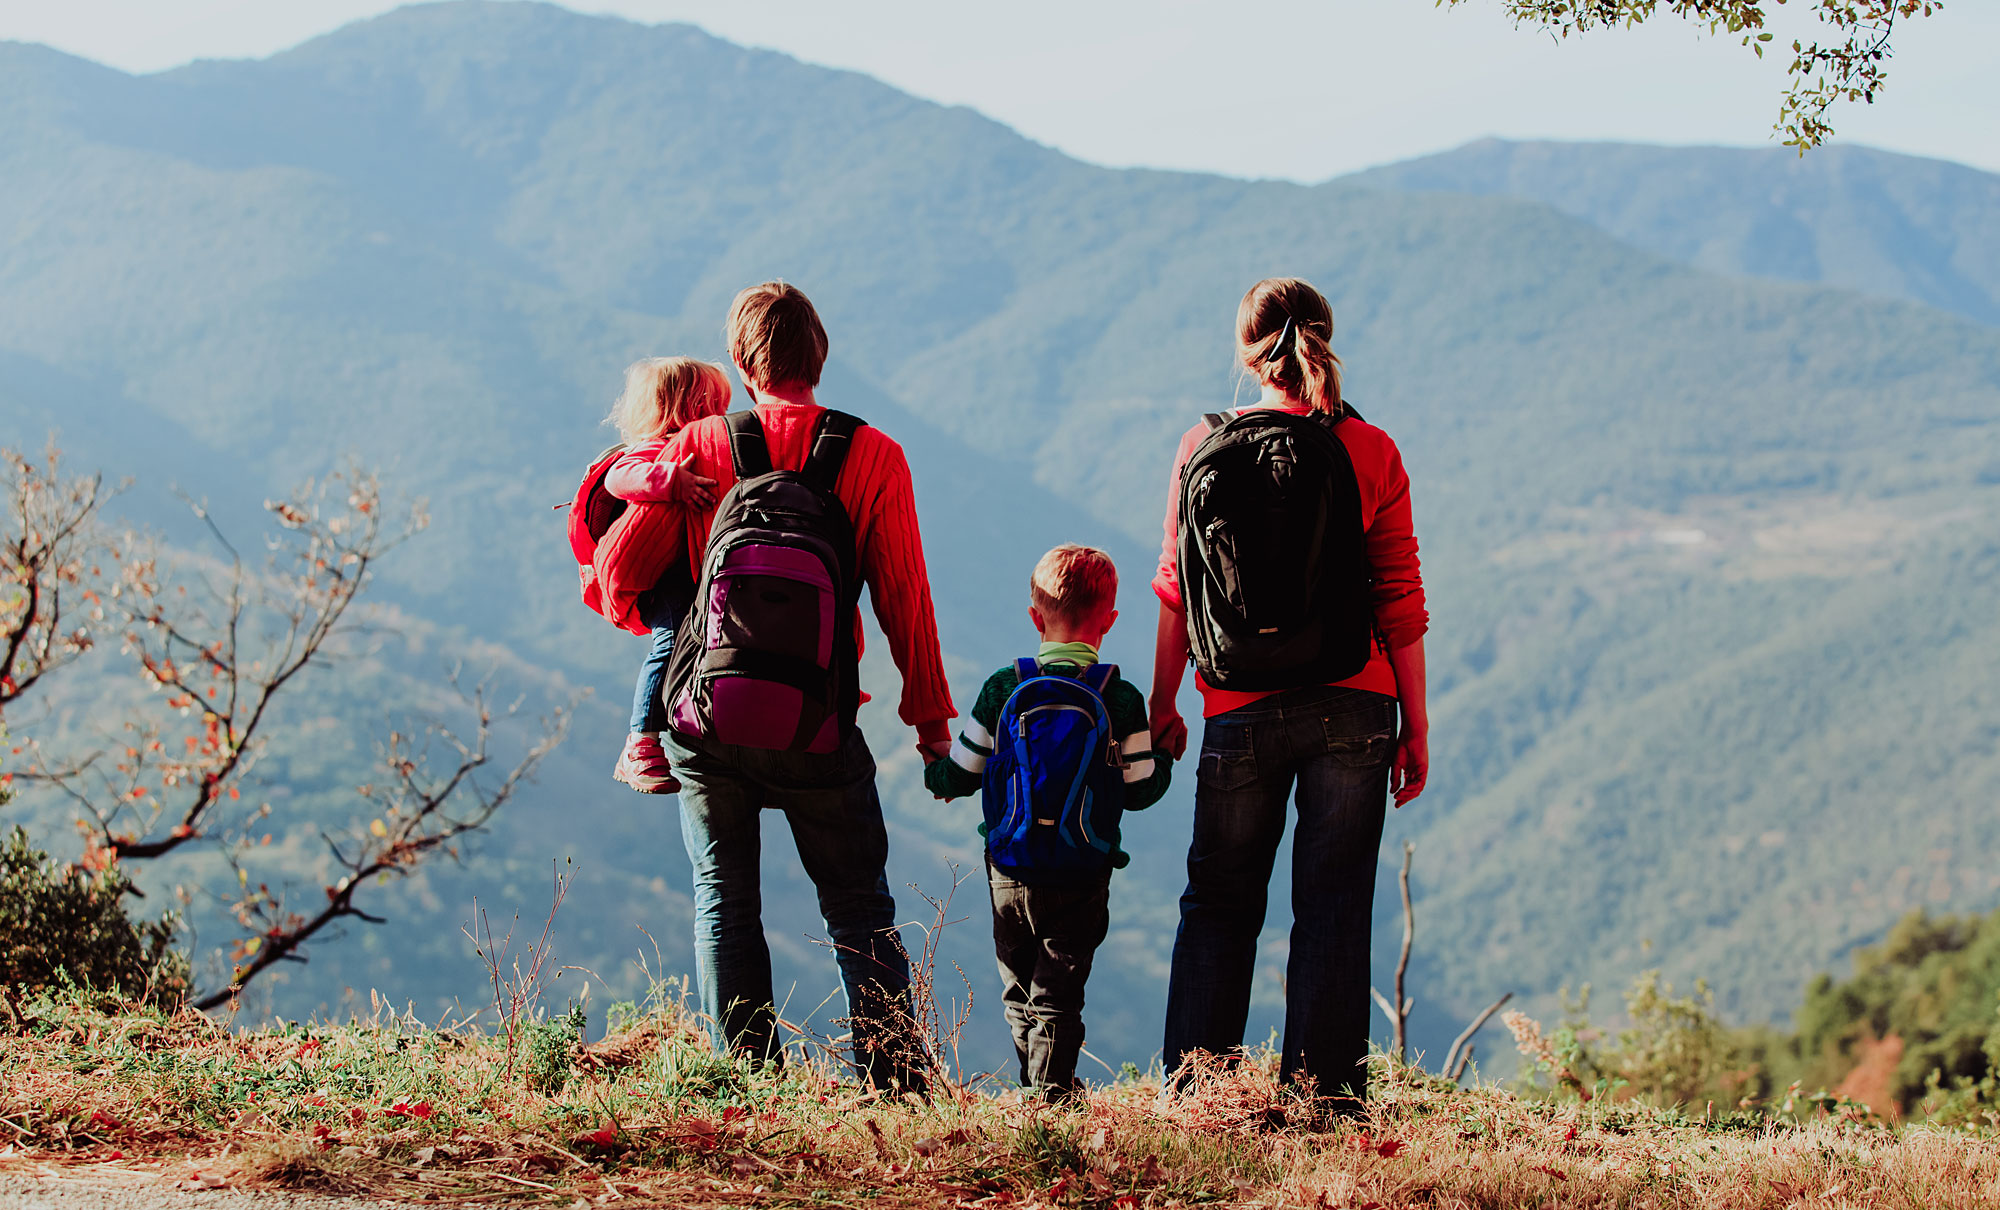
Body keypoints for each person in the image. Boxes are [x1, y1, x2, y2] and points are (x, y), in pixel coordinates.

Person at [592, 282, 955, 1091]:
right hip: (820, 724)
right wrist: (929, 720)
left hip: (707, 724)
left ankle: (752, 1089)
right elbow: (905, 597)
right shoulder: (874, 456)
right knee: (860, 907)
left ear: (742, 362)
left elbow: (619, 568)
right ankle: (896, 1087)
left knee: (725, 899)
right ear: (818, 354)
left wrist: (647, 608)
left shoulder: (703, 446)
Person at [1149, 277, 1429, 1114]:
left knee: (1219, 903)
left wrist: (1166, 701)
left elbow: (1175, 588)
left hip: (1236, 706)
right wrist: (1415, 722)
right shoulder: (1370, 447)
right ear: (1325, 341)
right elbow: (1400, 596)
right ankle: (1326, 1104)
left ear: (1245, 353)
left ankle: (1199, 1098)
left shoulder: (1202, 444)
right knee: (1335, 903)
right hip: (1355, 701)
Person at [924, 544, 1172, 1101]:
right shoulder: (1121, 698)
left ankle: (1039, 1089)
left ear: (1035, 617)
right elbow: (1141, 793)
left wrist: (932, 771)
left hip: (1009, 868)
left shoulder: (1002, 688)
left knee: (1020, 990)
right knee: (1060, 989)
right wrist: (1168, 757)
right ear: (1109, 620)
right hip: (1082, 871)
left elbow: (960, 776)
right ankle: (1050, 1099)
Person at [598, 357, 730, 794]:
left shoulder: (702, 448)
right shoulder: (656, 449)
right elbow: (619, 478)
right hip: (665, 577)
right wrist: (671, 482)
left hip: (691, 570)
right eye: (713, 404)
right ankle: (640, 742)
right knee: (670, 642)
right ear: (683, 408)